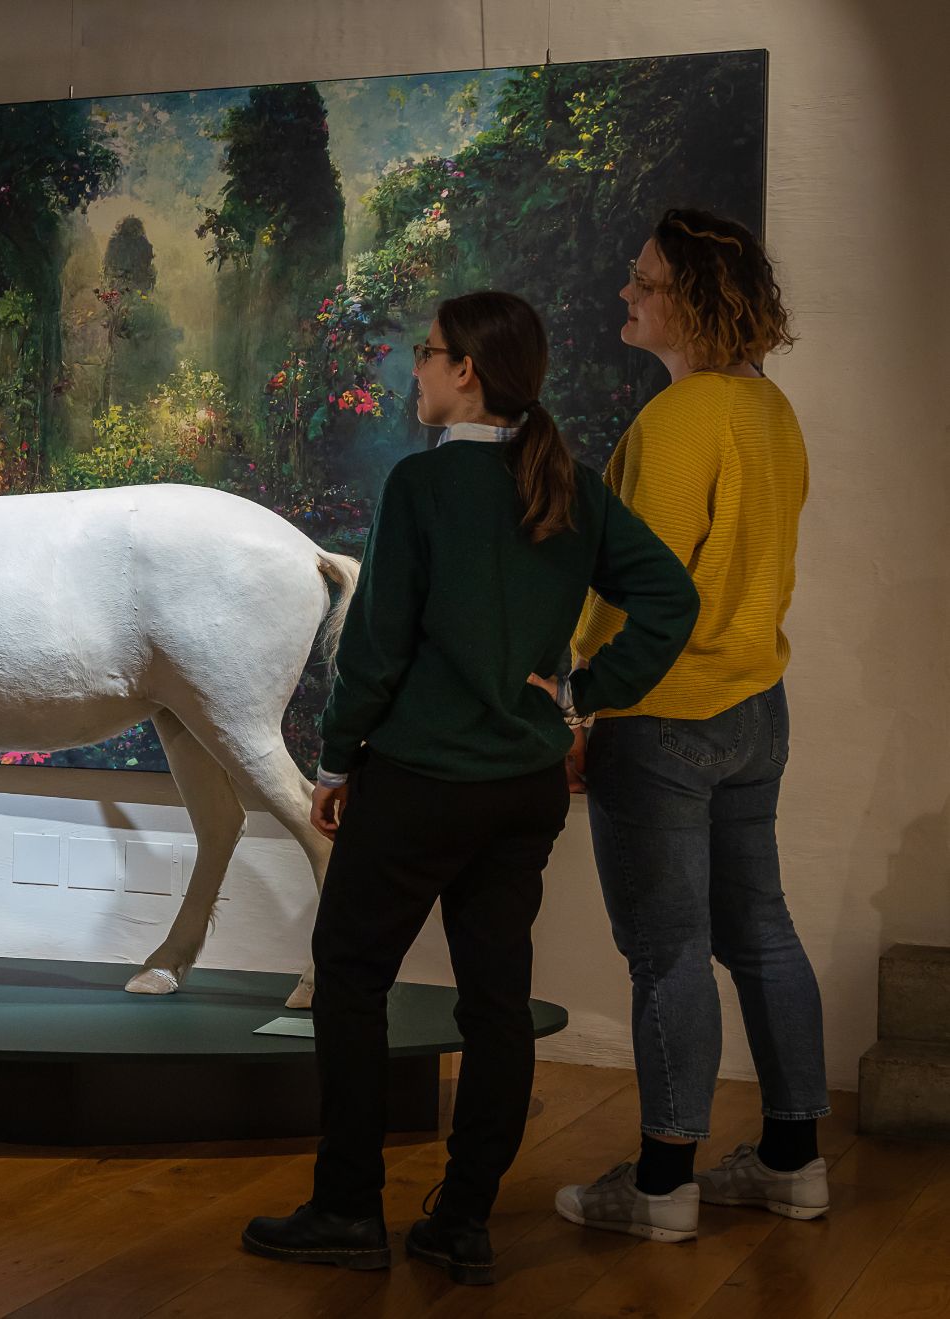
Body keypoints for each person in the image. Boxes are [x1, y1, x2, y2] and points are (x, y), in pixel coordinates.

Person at [240, 291, 698, 1286]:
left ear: (468, 373)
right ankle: (461, 1221)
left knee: (351, 981)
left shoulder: (421, 486)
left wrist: (335, 760)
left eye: (428, 353)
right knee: (496, 1003)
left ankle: (348, 1208)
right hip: (523, 786)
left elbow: (377, 641)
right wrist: (583, 695)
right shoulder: (570, 484)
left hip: (420, 782)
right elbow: (672, 598)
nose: (417, 369)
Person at [555, 209, 825, 1241]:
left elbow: (641, 589)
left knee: (667, 950)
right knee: (762, 931)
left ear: (693, 299)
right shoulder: (773, 411)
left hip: (661, 716)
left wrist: (583, 698)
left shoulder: (676, 422)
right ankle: (795, 1162)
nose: (627, 292)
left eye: (645, 279)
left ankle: (665, 1182)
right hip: (757, 706)